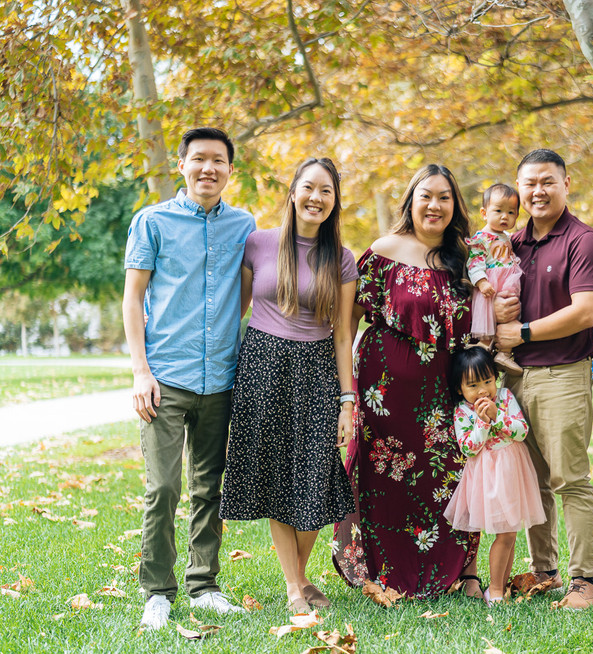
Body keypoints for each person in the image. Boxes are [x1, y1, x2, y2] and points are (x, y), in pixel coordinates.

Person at [122, 127, 255, 630]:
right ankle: (157, 591)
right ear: (181, 165)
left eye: (218, 160)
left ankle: (204, 586)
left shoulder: (244, 225)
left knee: (209, 489)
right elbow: (133, 298)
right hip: (165, 378)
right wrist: (141, 371)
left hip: (221, 378)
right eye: (198, 159)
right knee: (163, 488)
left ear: (230, 170)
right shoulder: (152, 221)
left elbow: (243, 295)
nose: (208, 168)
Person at [332, 164, 481, 598]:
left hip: (445, 393)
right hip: (382, 394)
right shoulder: (384, 251)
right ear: (411, 202)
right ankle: (381, 570)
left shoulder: (468, 258)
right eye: (426, 196)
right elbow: (348, 323)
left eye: (444, 197)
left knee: (448, 476)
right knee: (383, 481)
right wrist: (347, 391)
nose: (434, 205)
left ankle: (458, 570)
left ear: (455, 205)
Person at [219, 157, 357, 614]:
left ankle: (298, 576)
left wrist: (347, 401)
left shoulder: (342, 259)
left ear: (334, 202)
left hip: (316, 370)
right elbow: (235, 310)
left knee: (315, 474)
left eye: (326, 191)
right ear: (293, 191)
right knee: (277, 476)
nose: (316, 198)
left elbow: (343, 335)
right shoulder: (257, 243)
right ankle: (295, 586)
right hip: (262, 366)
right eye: (309, 187)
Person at [494, 149, 593, 610]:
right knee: (533, 479)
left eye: (547, 182)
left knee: (568, 478)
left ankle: (585, 580)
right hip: (514, 377)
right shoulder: (512, 242)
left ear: (566, 184)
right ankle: (545, 571)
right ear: (519, 189)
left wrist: (520, 332)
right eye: (530, 183)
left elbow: (586, 312)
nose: (538, 191)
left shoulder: (582, 239)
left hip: (561, 373)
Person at [443, 347, 545, 604]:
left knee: (510, 533)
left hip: (512, 471)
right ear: (459, 389)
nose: (483, 391)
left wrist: (497, 415)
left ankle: (499, 587)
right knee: (505, 533)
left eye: (487, 381)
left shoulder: (505, 397)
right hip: (488, 477)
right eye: (473, 385)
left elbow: (521, 431)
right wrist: (483, 422)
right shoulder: (462, 411)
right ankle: (496, 590)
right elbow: (469, 447)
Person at [466, 183, 523, 375]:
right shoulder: (481, 238)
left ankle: (504, 354)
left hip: (508, 282)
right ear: (484, 213)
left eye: (511, 212)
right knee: (487, 322)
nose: (504, 216)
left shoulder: (508, 237)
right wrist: (481, 282)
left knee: (510, 314)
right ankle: (482, 349)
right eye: (498, 211)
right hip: (490, 285)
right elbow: (474, 263)